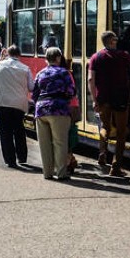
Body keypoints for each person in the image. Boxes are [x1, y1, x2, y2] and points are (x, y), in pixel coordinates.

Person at [88, 30, 130, 177]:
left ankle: (102, 154)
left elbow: (90, 79)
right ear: (111, 41)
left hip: (103, 98)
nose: (117, 41)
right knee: (121, 131)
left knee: (105, 127)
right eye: (115, 39)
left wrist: (94, 100)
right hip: (120, 97)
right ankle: (116, 167)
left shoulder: (95, 57)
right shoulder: (123, 55)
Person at [33, 46, 77, 180]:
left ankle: (47, 173)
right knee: (60, 142)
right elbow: (71, 91)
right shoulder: (64, 72)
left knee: (44, 143)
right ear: (58, 58)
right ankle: (61, 173)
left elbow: (34, 94)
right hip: (59, 109)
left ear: (46, 59)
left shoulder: (40, 73)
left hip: (41, 110)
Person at [0, 45, 34, 168]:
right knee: (19, 130)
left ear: (7, 54)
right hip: (18, 104)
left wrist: (0, 59)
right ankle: (22, 157)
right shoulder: (25, 68)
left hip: (1, 102)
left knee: (5, 132)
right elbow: (31, 87)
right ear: (19, 54)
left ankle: (10, 160)